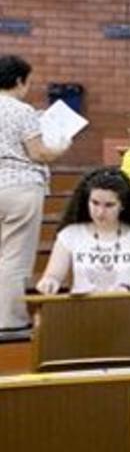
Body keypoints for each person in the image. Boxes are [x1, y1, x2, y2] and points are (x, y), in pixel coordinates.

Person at [0, 54, 71, 339]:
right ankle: (10, 321)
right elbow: (39, 152)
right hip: (19, 186)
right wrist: (62, 146)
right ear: (19, 80)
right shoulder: (21, 110)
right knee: (15, 256)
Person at [36, 168, 130, 295]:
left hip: (127, 306)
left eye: (109, 205)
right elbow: (53, 275)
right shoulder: (70, 234)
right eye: (95, 203)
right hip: (80, 309)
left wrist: (128, 289)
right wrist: (49, 282)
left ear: (122, 205)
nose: (100, 212)